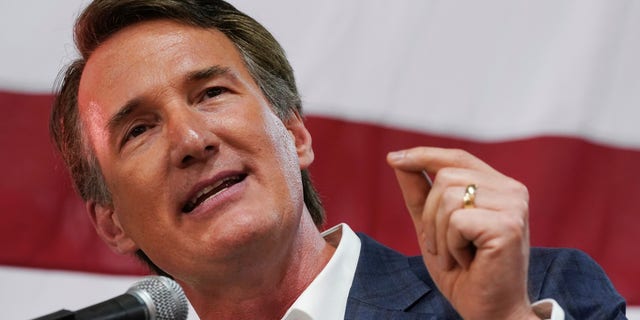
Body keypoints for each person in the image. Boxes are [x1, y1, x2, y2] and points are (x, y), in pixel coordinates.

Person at [50, 0, 626, 319]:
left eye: (212, 93)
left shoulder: (537, 291)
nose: (193, 140)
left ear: (294, 133)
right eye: (139, 130)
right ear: (112, 222)